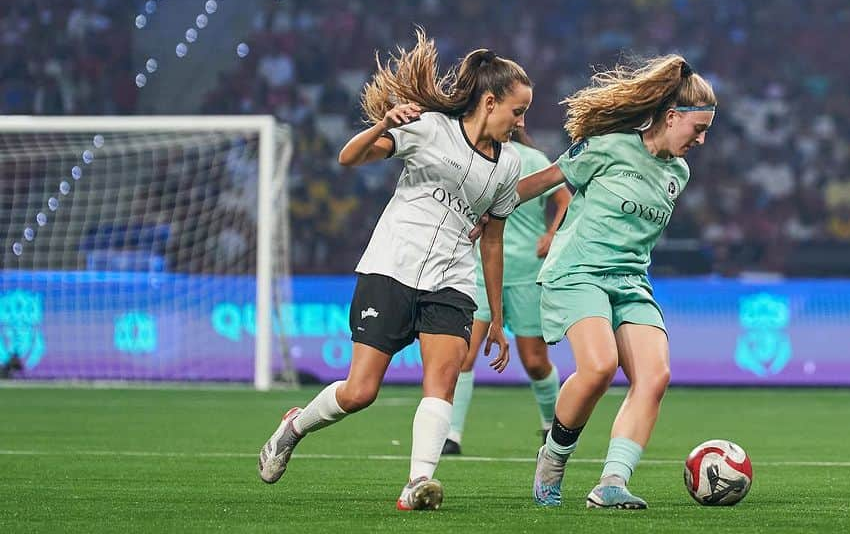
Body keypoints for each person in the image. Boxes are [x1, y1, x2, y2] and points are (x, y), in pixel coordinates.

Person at [258, 30, 531, 511]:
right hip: (391, 267)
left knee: (441, 381)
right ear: (490, 102)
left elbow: (493, 239)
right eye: (518, 110)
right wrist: (382, 122)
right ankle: (294, 427)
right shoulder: (429, 129)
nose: (522, 122)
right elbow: (349, 158)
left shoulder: (508, 166)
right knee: (360, 391)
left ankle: (417, 483)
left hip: (452, 280)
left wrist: (499, 318)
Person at [517, 55, 716, 509]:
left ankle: (611, 483)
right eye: (697, 129)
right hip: (578, 272)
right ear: (671, 117)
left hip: (630, 281)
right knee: (600, 366)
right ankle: (553, 458)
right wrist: (487, 209)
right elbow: (546, 181)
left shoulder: (678, 174)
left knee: (655, 375)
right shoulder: (608, 147)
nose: (702, 140)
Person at [442, 128, 572, 455]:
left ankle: (550, 426)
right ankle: (451, 435)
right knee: (465, 354)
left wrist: (552, 234)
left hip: (527, 271)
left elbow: (564, 199)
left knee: (535, 361)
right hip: (481, 269)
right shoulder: (475, 158)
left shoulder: (533, 159)